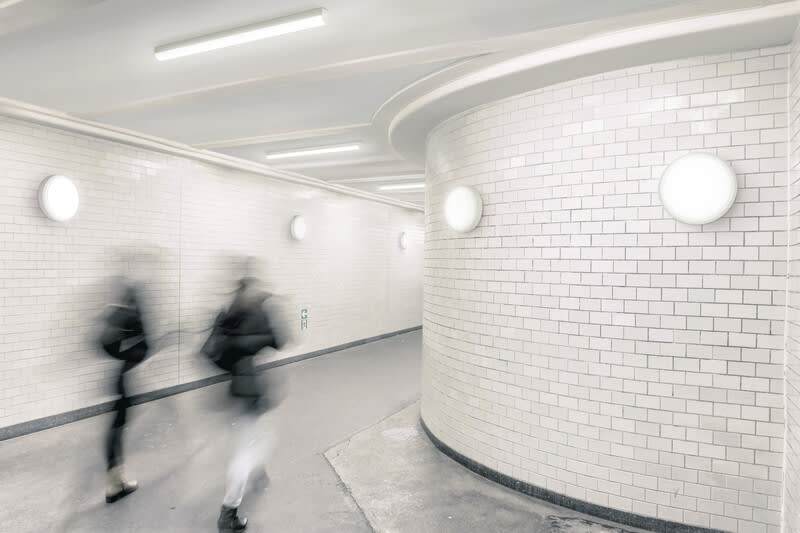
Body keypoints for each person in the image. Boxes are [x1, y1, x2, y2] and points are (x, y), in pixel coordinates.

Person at [212, 275, 285, 533]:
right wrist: (267, 308)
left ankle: (258, 470)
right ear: (249, 291)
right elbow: (278, 340)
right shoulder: (254, 314)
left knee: (260, 436)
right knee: (245, 450)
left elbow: (218, 353)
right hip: (249, 389)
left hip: (237, 386)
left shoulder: (229, 313)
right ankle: (228, 512)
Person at [98, 279, 149, 503]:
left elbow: (103, 344)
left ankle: (115, 482)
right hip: (124, 380)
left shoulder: (114, 315)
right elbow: (144, 347)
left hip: (117, 379)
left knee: (116, 428)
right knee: (118, 428)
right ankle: (115, 483)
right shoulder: (132, 317)